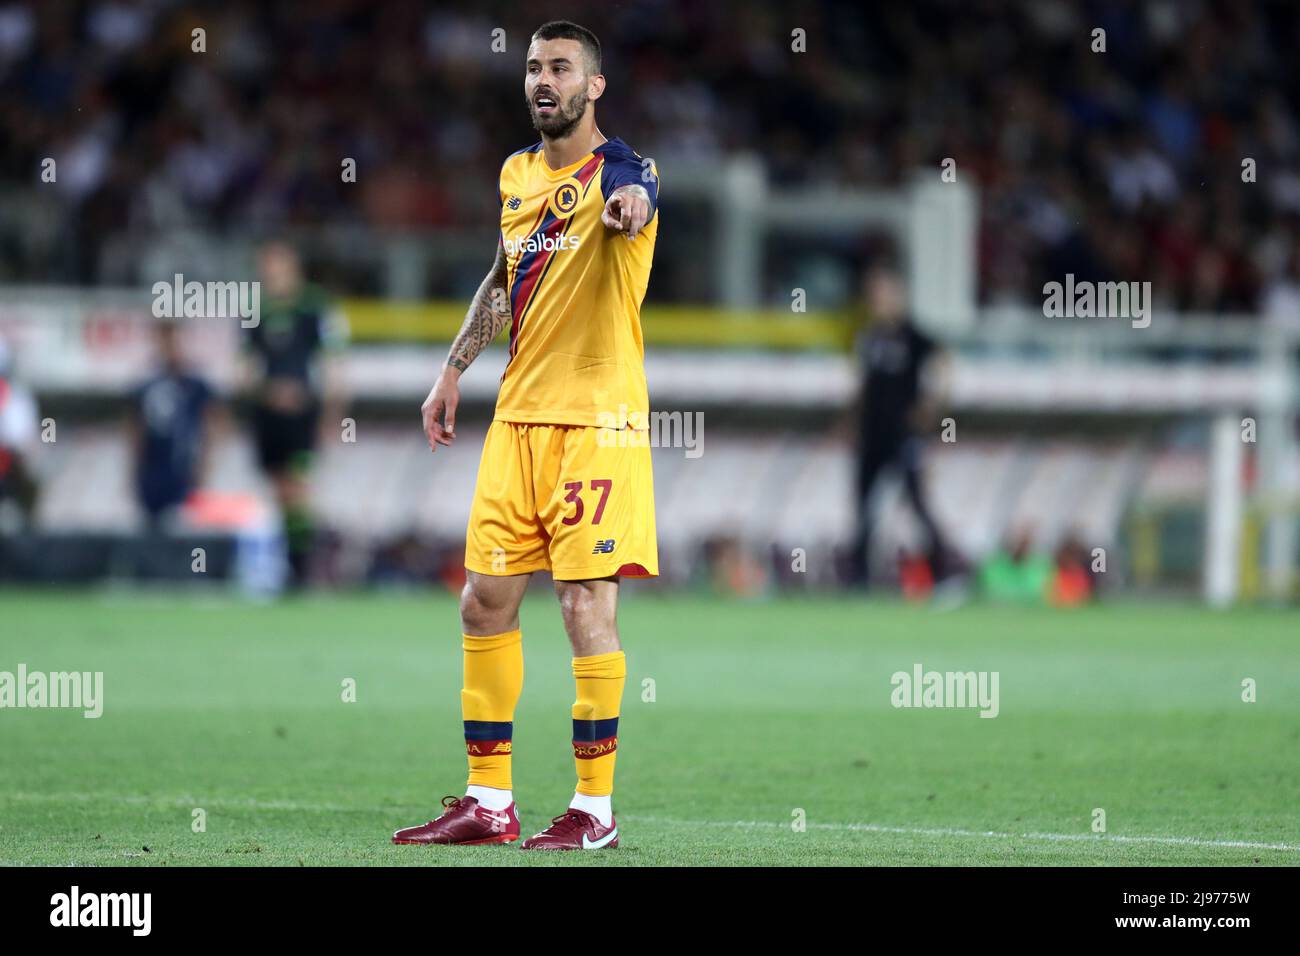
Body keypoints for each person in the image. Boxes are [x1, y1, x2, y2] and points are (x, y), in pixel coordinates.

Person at [393, 20, 658, 851]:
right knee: (483, 604)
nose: (544, 80)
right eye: (534, 67)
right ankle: (489, 799)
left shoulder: (626, 170)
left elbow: (636, 193)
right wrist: (453, 368)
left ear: (594, 85)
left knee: (584, 607)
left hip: (595, 425)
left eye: (562, 69)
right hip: (515, 422)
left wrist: (627, 209)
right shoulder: (514, 175)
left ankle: (595, 812)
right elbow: (506, 274)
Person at [242, 240, 347, 587]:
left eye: (280, 265)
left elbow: (332, 363)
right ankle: (293, 561)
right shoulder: (257, 310)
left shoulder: (313, 308)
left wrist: (331, 414)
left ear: (294, 268)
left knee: (297, 487)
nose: (274, 273)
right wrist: (266, 392)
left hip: (303, 413)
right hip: (269, 414)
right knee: (279, 488)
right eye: (269, 266)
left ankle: (303, 568)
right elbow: (245, 368)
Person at [845, 259, 954, 588]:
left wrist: (931, 406)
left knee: (917, 504)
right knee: (863, 507)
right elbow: (864, 384)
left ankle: (945, 573)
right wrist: (851, 420)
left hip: (902, 434)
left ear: (896, 295)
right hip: (872, 434)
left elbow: (944, 360)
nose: (875, 300)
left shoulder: (911, 334)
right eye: (871, 293)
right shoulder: (869, 337)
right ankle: (860, 580)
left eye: (880, 293)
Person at [129, 322, 217, 526]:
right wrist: (135, 467)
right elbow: (136, 427)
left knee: (183, 529)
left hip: (183, 468)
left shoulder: (195, 383)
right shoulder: (146, 382)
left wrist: (204, 464)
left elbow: (211, 423)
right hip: (152, 470)